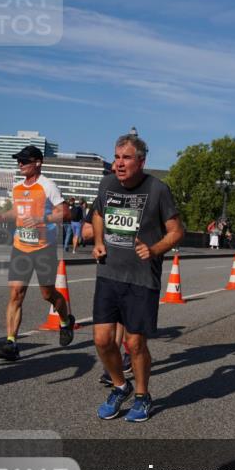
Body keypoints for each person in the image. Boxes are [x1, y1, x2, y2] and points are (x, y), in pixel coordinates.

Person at [92, 133, 183, 423]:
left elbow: (177, 232)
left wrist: (154, 249)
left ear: (141, 161)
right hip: (109, 272)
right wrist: (98, 241)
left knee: (134, 344)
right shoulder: (107, 184)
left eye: (126, 158)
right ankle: (121, 386)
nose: (119, 163)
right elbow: (98, 214)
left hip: (142, 278)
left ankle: (142, 396)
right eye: (117, 157)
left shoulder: (157, 189)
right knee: (102, 340)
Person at [0, 145, 75, 361]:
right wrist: (1, 216)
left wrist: (41, 219)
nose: (20, 164)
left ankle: (65, 321)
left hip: (44, 249)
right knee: (16, 293)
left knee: (48, 295)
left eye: (25, 161)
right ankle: (11, 343)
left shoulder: (48, 186)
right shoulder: (17, 187)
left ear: (38, 162)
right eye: (19, 161)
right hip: (21, 247)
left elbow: (66, 214)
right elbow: (17, 211)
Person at [81, 197, 132, 385]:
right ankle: (114, 368)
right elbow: (86, 233)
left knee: (126, 324)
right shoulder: (104, 197)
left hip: (135, 268)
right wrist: (110, 229)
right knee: (107, 330)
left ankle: (125, 359)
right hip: (108, 268)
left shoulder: (141, 196)